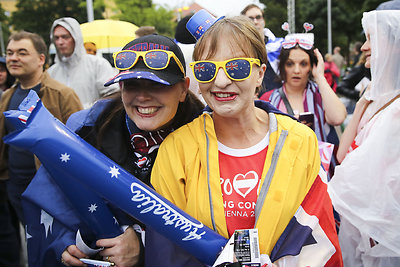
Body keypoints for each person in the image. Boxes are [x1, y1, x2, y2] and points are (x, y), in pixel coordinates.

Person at [151, 15, 342, 266]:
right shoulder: (177, 150)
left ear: (260, 74)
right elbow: (166, 247)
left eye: (236, 67)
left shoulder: (300, 141)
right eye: (206, 70)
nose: (220, 81)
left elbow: (320, 236)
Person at [22, 34, 204, 267]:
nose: (142, 97)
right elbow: (50, 203)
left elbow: (215, 228)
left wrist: (144, 245)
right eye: (132, 84)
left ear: (183, 89)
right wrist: (65, 241)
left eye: (157, 84)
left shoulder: (210, 137)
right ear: (120, 86)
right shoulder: (85, 129)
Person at [328, 10, 400, 267]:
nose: (365, 47)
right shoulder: (373, 96)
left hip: (382, 236)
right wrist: (361, 106)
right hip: (359, 227)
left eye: (372, 38)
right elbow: (341, 155)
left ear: (393, 44)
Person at [0, 31, 83, 224]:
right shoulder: (7, 96)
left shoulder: (62, 94)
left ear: (41, 59)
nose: (13, 58)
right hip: (16, 187)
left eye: (22, 53)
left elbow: (82, 143)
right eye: (10, 53)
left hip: (53, 189)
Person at [260, 34, 346, 144]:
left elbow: (337, 118)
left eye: (303, 64)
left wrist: (320, 76)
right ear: (282, 66)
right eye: (290, 64)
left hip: (318, 160)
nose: (296, 70)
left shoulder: (321, 95)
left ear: (311, 67)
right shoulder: (268, 99)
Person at [48, 17, 119, 108]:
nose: (60, 42)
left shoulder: (98, 64)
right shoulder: (52, 72)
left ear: (76, 37)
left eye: (65, 37)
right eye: (56, 38)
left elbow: (113, 95)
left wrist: (89, 110)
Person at [241, 4, 283, 96]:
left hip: (278, 98)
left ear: (263, 20)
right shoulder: (240, 48)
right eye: (250, 18)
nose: (255, 21)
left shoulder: (279, 45)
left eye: (258, 17)